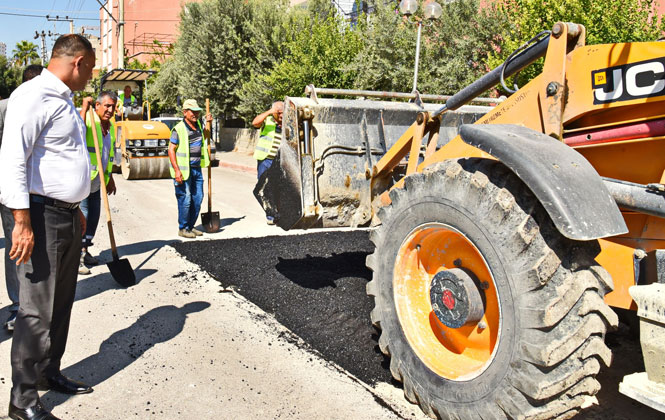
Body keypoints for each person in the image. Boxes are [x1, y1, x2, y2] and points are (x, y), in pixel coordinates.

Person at [0, 34, 95, 420]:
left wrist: (78, 207)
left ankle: (46, 373)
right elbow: (13, 158)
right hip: (38, 216)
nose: (91, 76)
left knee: (61, 303)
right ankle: (21, 402)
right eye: (90, 68)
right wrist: (21, 221)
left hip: (66, 214)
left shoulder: (64, 100)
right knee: (36, 309)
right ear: (79, 61)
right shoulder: (34, 94)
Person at [0, 64, 44, 332]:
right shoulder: (7, 107)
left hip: (30, 191)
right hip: (11, 190)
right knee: (17, 246)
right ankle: (19, 306)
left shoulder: (40, 107)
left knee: (25, 246)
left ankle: (26, 304)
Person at [77, 91, 118, 276]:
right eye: (107, 106)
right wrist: (84, 109)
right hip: (85, 178)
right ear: (98, 106)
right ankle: (77, 258)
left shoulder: (109, 128)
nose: (110, 109)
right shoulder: (88, 120)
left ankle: (85, 251)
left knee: (93, 218)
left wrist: (110, 179)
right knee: (82, 219)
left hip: (98, 181)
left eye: (113, 106)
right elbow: (76, 131)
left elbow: (107, 156)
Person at [168, 99, 212, 239]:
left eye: (197, 111)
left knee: (198, 198)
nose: (195, 114)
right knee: (185, 199)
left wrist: (208, 123)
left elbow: (205, 136)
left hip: (196, 169)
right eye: (192, 111)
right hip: (183, 170)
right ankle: (183, 228)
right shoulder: (178, 129)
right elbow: (171, 150)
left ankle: (190, 226)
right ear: (185, 112)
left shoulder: (198, 124)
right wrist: (176, 170)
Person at [252, 101, 283, 224]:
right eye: (279, 113)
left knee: (278, 188)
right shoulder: (268, 120)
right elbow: (255, 122)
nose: (281, 115)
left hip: (279, 162)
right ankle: (270, 215)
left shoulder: (288, 122)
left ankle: (278, 213)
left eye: (283, 113)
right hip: (265, 160)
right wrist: (270, 112)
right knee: (264, 188)